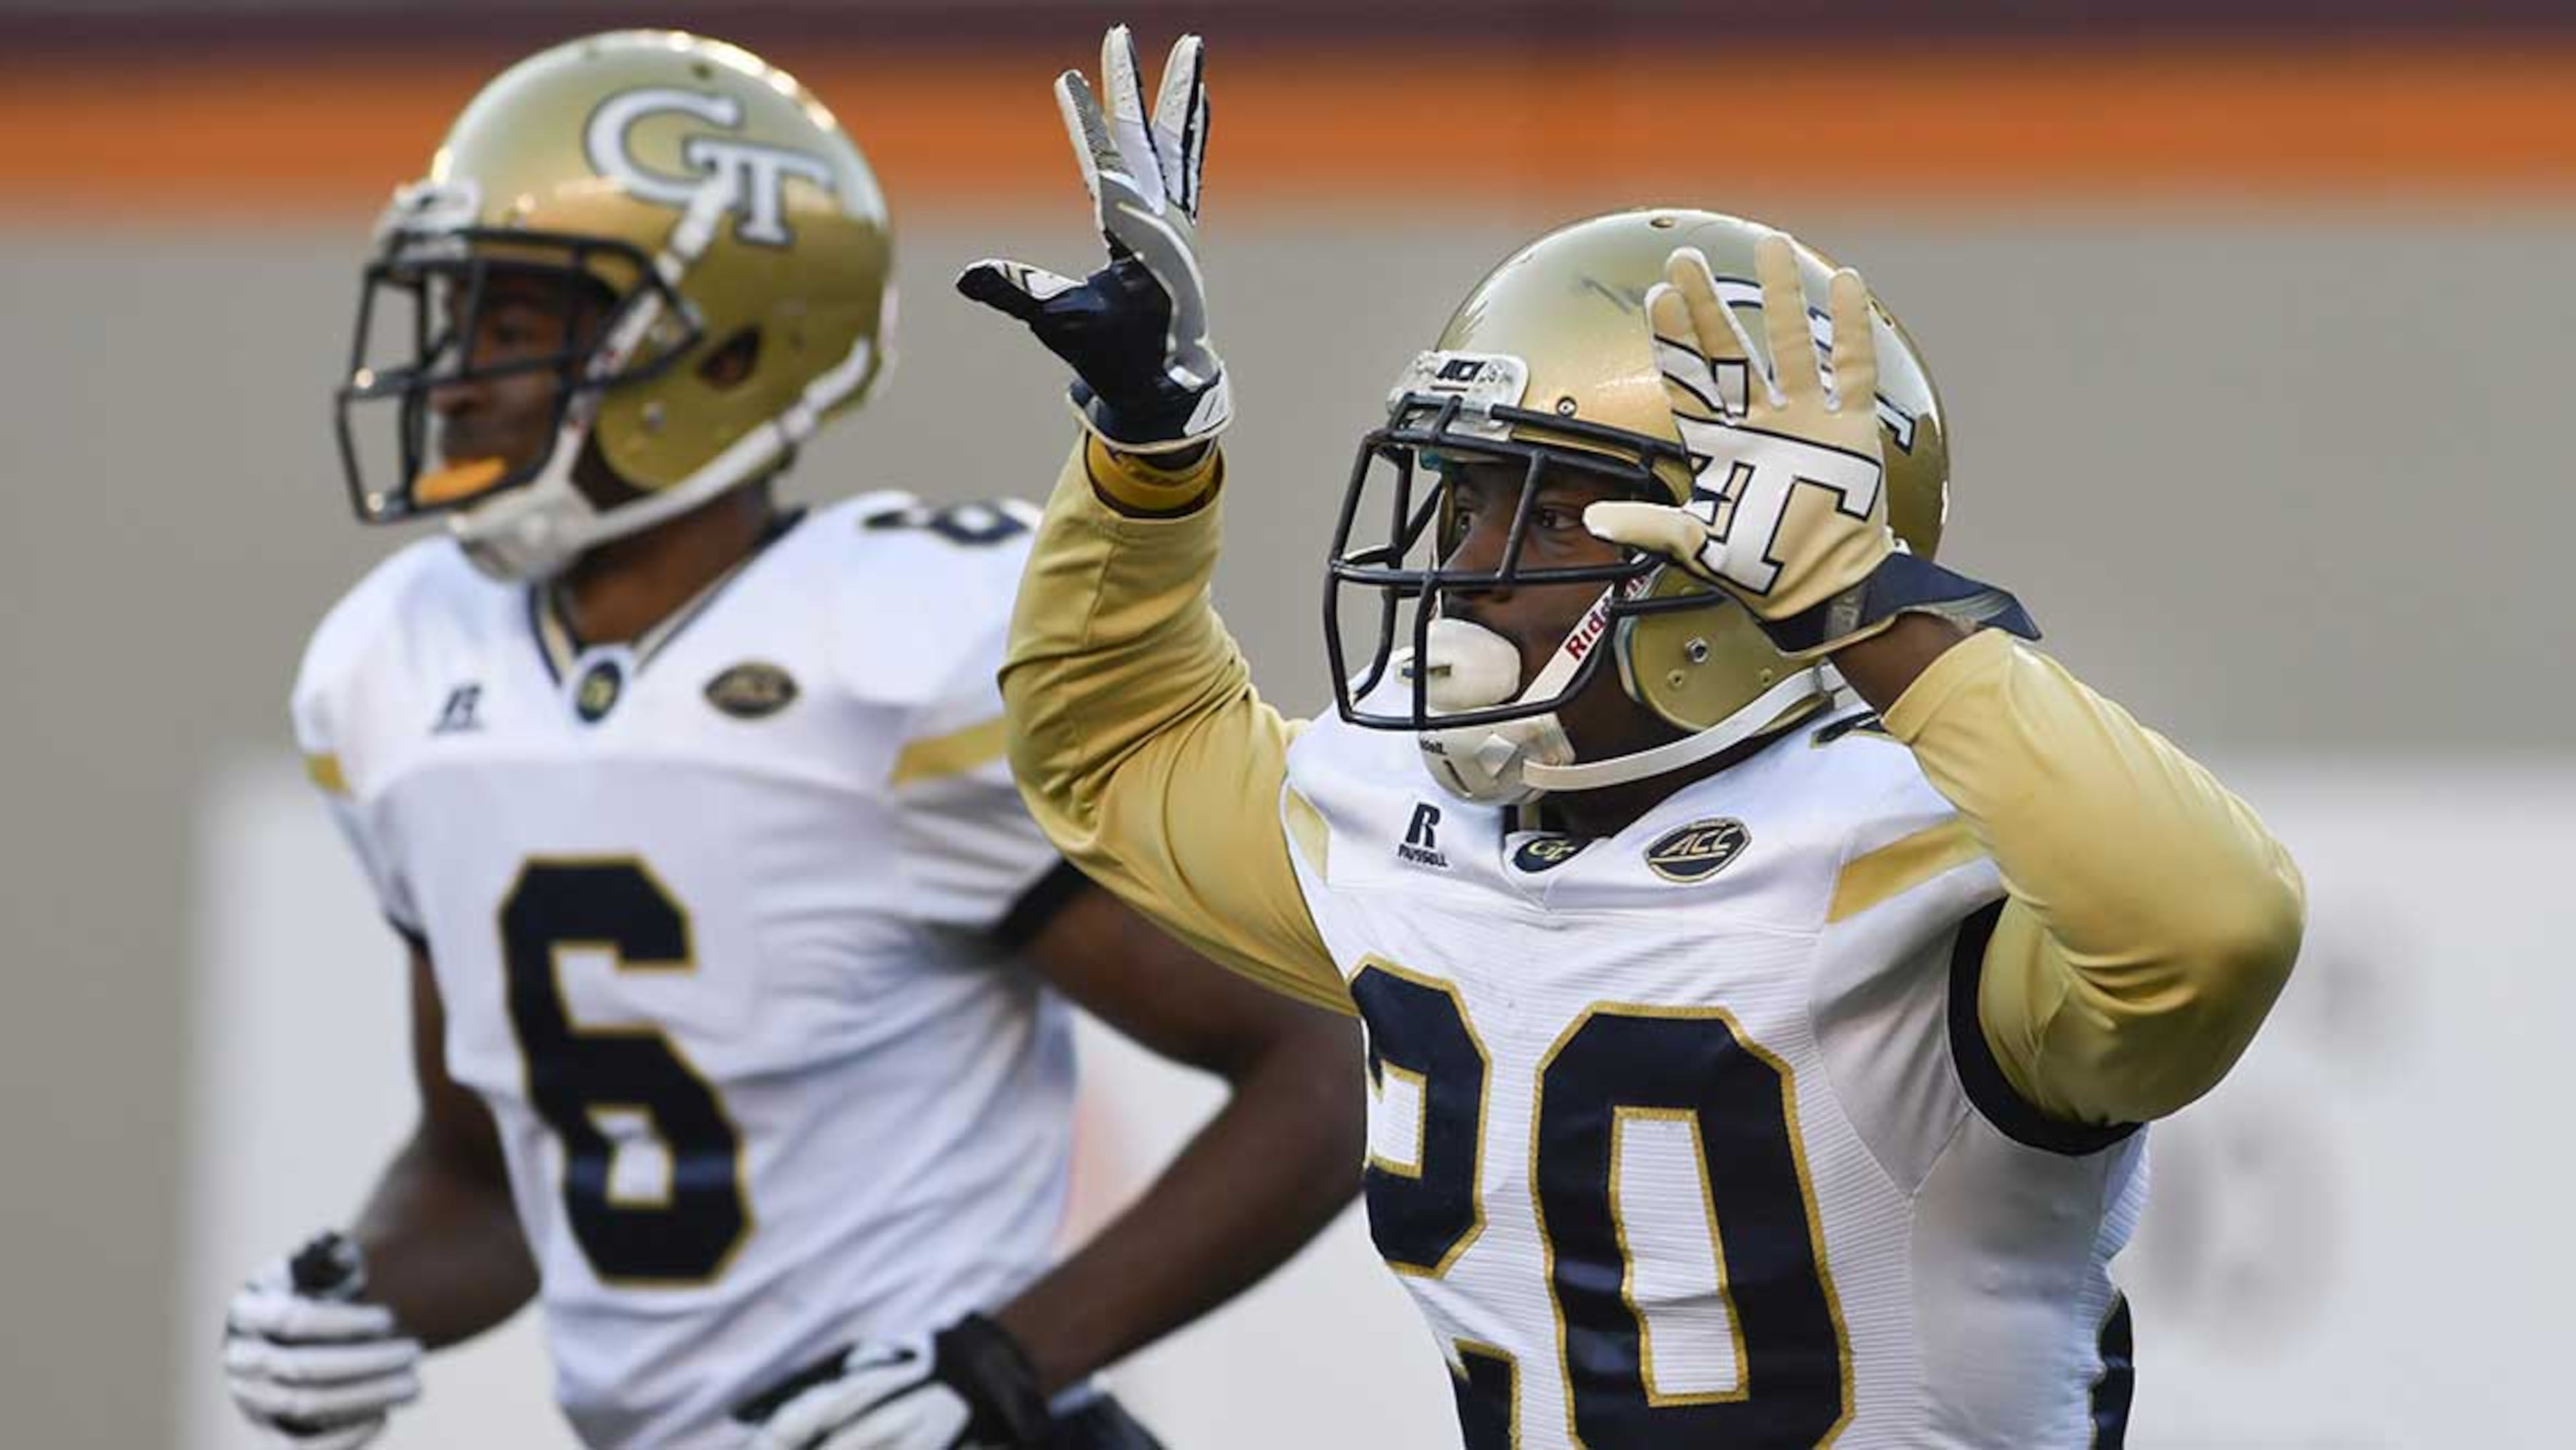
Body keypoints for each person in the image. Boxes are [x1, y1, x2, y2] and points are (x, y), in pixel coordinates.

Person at [962, 27, 2305, 1448]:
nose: (1468, 563)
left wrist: (1883, 620)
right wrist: (1147, 456)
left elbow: (2209, 932)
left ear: (1732, 560)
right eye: (1462, 496)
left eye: (1540, 511)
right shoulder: (1409, 823)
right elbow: (1112, 750)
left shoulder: (1925, 850)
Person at [221, 30, 1362, 1450]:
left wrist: (995, 1367)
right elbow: (483, 1172)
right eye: (457, 320)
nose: (454, 376)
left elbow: (1322, 1064)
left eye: (519, 324)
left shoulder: (898, 649)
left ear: (732, 348)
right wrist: (359, 1290)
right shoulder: (397, 663)